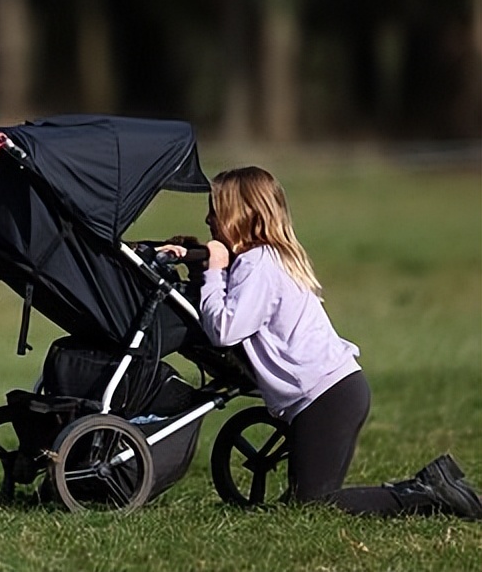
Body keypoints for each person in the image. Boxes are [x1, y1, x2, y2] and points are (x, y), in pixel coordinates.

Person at [162, 166, 481, 519]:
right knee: (312, 498)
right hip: (334, 391)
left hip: (325, 397)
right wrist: (198, 263)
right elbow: (229, 306)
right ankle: (433, 490)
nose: (208, 218)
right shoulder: (265, 258)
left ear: (242, 214)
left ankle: (428, 492)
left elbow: (224, 329)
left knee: (315, 505)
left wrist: (213, 270)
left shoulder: (259, 265)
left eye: (215, 209)